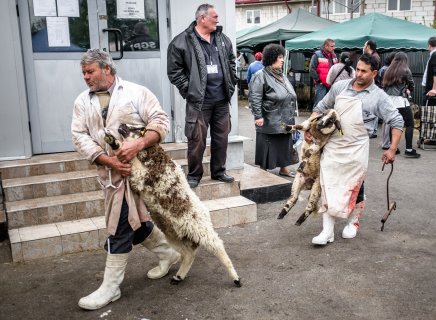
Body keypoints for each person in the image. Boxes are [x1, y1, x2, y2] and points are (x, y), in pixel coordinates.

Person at [71, 49, 180, 310]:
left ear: (107, 69)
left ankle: (111, 288)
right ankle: (168, 253)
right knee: (136, 222)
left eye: (90, 71)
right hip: (111, 175)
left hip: (141, 173)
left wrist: (138, 144)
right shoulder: (81, 102)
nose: (86, 77)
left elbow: (160, 121)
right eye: (83, 73)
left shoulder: (136, 92)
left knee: (118, 227)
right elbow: (79, 135)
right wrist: (107, 159)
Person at [305, 54, 404, 245]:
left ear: (374, 73)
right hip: (333, 144)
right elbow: (321, 106)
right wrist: (311, 125)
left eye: (363, 71)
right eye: (357, 69)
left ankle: (353, 221)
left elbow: (397, 121)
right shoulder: (340, 87)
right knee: (328, 185)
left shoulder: (379, 97)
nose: (358, 74)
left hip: (357, 147)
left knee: (355, 186)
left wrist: (392, 149)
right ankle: (327, 231)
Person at [167, 3, 237, 188]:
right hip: (199, 102)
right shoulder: (181, 41)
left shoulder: (223, 39)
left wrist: (232, 80)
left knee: (222, 138)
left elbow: (231, 62)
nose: (217, 19)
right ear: (202, 18)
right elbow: (174, 71)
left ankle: (219, 171)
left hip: (222, 100)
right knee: (197, 140)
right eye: (214, 16)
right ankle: (194, 175)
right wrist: (188, 90)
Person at [249, 44, 297, 177]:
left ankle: (284, 168)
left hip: (285, 116)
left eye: (283, 57)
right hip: (270, 117)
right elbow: (255, 97)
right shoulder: (260, 76)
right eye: (280, 57)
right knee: (267, 142)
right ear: (272, 58)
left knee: (284, 142)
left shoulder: (282, 75)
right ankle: (263, 168)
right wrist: (258, 116)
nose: (282, 60)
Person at [382, 52, 420, 158]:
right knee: (409, 124)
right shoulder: (405, 70)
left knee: (392, 123)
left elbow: (383, 86)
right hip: (400, 100)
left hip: (389, 100)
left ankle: (394, 148)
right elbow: (411, 85)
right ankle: (408, 149)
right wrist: (408, 89)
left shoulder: (387, 70)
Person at [309, 38, 337, 107]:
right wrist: (318, 80)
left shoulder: (334, 55)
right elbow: (311, 69)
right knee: (319, 105)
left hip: (331, 84)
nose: (333, 48)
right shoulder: (317, 54)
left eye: (334, 46)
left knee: (330, 105)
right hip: (321, 84)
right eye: (332, 46)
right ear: (326, 46)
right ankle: (315, 117)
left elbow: (336, 68)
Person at [378, 51, 397, 150]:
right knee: (387, 121)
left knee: (386, 121)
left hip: (383, 95)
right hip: (387, 96)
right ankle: (386, 143)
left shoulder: (383, 69)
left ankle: (385, 142)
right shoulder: (388, 70)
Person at [363, 40, 382, 138]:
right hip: (373, 84)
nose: (363, 47)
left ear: (368, 46)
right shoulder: (374, 56)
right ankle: (372, 130)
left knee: (372, 107)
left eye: (364, 45)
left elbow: (372, 72)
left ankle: (372, 130)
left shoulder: (374, 57)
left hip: (373, 84)